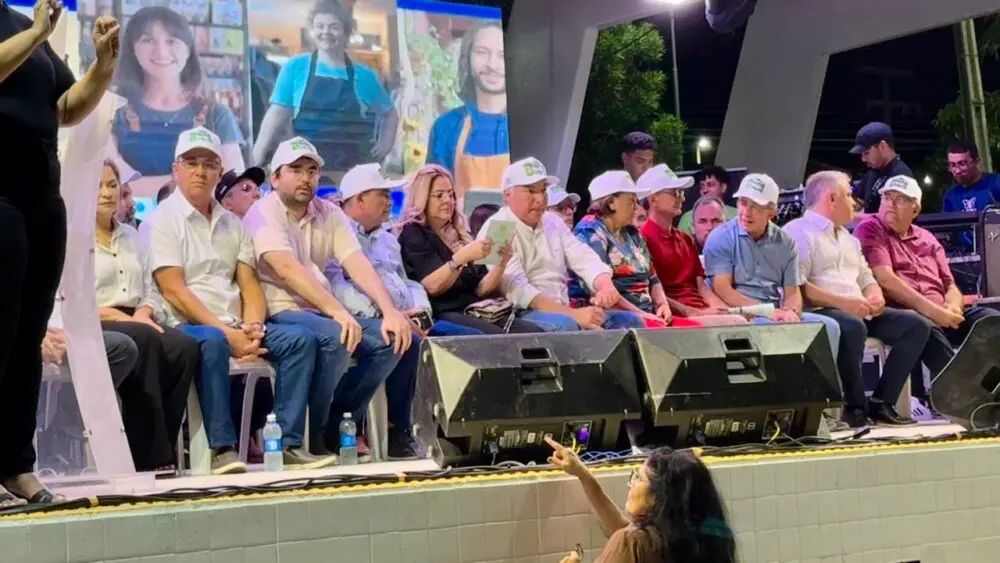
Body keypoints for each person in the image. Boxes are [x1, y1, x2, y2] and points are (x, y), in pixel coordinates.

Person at [143, 127, 336, 474]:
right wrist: (227, 332)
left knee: (299, 341)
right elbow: (174, 290)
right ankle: (222, 448)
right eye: (191, 163)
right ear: (176, 169)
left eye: (208, 164)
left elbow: (249, 285)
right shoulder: (161, 221)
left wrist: (255, 327)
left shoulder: (233, 224)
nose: (200, 171)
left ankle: (288, 444)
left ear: (219, 171)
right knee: (214, 343)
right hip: (186, 324)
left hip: (236, 324)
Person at [0, 0, 120, 506]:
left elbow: (65, 108)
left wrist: (104, 65)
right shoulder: (33, 31)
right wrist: (38, 34)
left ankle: (14, 463)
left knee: (27, 334)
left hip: (40, 197)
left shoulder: (27, 24)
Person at [243, 139, 421, 460]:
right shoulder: (262, 212)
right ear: (275, 178)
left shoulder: (328, 213)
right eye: (295, 170)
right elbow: (286, 269)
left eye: (312, 171)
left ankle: (340, 422)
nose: (305, 178)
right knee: (337, 335)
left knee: (391, 339)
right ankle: (304, 437)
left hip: (320, 312)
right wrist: (338, 311)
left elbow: (357, 263)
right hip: (278, 310)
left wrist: (390, 311)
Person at [784, 171, 930, 427]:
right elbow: (800, 288)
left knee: (916, 326)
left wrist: (874, 295)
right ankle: (855, 408)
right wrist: (845, 304)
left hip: (859, 309)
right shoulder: (798, 233)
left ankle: (882, 402)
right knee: (852, 327)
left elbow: (865, 276)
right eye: (849, 195)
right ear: (831, 199)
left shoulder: (849, 239)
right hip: (822, 309)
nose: (854, 202)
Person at [854, 175, 1000, 406]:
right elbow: (886, 280)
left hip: (941, 311)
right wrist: (934, 312)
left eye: (900, 199)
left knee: (991, 320)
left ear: (915, 208)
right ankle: (972, 402)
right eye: (887, 198)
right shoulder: (870, 229)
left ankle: (991, 391)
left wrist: (952, 306)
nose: (891, 204)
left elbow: (950, 285)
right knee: (926, 328)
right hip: (907, 315)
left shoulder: (927, 238)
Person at [478, 157, 644, 332]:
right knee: (566, 326)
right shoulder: (497, 228)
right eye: (531, 191)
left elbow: (582, 255)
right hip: (520, 313)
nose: (540, 199)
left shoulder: (552, 221)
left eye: (543, 190)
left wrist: (605, 286)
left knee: (629, 322)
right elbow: (516, 289)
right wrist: (574, 315)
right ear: (507, 195)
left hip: (563, 307)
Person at [329, 163, 484, 337]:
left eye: (451, 194)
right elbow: (339, 287)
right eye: (384, 195)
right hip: (373, 320)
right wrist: (384, 314)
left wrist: (422, 312)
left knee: (474, 339)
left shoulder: (387, 239)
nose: (390, 201)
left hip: (410, 319)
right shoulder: (337, 235)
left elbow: (407, 282)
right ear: (360, 200)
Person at [702, 173, 842, 357]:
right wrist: (769, 313)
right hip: (741, 314)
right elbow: (723, 290)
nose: (746, 212)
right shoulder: (720, 237)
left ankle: (818, 385)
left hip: (775, 312)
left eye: (756, 206)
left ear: (772, 211)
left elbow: (792, 292)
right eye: (743, 203)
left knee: (830, 327)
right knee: (772, 330)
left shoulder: (786, 242)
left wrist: (791, 311)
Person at [111, 6, 244, 197]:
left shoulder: (217, 114)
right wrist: (198, 184)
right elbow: (112, 182)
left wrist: (142, 186)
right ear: (132, 48)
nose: (161, 51)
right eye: (147, 40)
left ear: (188, 49)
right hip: (129, 224)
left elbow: (234, 187)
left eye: (171, 41)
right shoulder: (114, 111)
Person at [398, 164, 544, 334]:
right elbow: (432, 286)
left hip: (477, 309)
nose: (448, 200)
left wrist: (501, 264)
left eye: (451, 194)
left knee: (534, 333)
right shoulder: (414, 232)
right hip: (443, 312)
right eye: (439, 195)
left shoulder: (460, 233)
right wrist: (462, 257)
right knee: (496, 340)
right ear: (422, 198)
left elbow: (481, 290)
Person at [253, 0, 396, 172]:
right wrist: (256, 157)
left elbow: (390, 114)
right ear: (312, 30)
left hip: (355, 173)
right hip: (308, 172)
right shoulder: (296, 67)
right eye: (319, 26)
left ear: (346, 33)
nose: (326, 32)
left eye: (334, 27)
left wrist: (385, 146)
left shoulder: (365, 76)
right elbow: (276, 114)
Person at [547, 437, 736, 563]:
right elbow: (624, 532)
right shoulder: (708, 539)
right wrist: (584, 475)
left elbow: (629, 541)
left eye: (638, 478)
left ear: (658, 497)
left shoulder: (635, 543)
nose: (630, 484)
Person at [569, 170, 701, 328]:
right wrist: (643, 315)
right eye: (632, 201)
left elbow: (653, 278)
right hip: (612, 316)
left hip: (648, 315)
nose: (637, 207)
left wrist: (662, 305)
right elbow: (600, 291)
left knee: (730, 323)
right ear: (611, 203)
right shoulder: (590, 230)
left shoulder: (632, 233)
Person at [636, 165, 746, 326]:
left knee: (741, 320)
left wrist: (722, 308)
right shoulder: (641, 240)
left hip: (698, 311)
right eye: (675, 193)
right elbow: (652, 293)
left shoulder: (685, 239)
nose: (682, 198)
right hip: (672, 316)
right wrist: (693, 312)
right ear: (653, 199)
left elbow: (701, 286)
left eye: (681, 192)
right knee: (738, 323)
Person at [426, 20, 508, 198]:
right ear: (467, 59)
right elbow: (432, 198)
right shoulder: (445, 127)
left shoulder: (533, 125)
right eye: (482, 52)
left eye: (503, 55)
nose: (492, 65)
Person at [849, 122, 913, 216]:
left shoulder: (901, 176)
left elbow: (892, 218)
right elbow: (860, 201)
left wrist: (854, 217)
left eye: (866, 153)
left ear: (883, 146)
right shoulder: (872, 173)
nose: (863, 159)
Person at [677, 165, 737, 233]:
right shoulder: (687, 218)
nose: (705, 190)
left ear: (723, 187)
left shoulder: (737, 215)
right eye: (702, 186)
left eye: (710, 185)